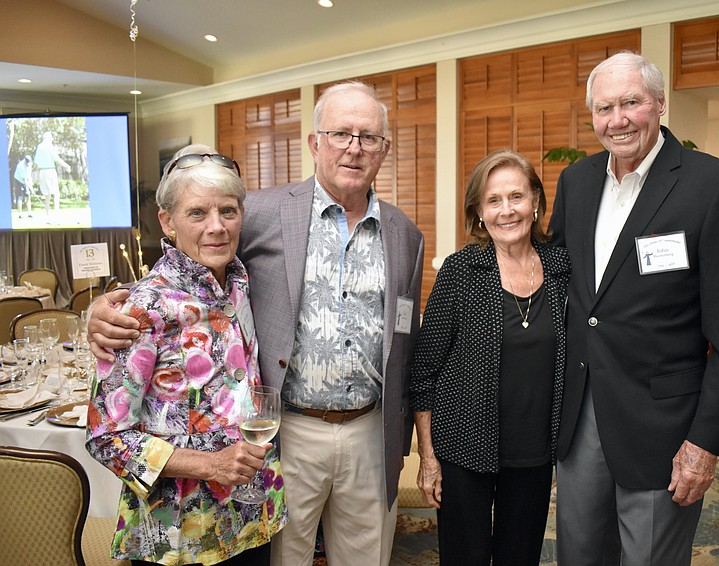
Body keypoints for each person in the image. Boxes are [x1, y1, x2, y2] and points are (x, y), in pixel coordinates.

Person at [88, 81, 425, 566]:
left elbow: (405, 336)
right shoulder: (263, 212)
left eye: (368, 137)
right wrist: (103, 311)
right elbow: (186, 264)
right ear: (315, 143)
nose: (354, 147)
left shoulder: (405, 236)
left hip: (368, 433)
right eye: (340, 133)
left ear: (384, 149)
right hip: (287, 434)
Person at [548, 51, 719, 566]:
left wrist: (705, 441)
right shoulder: (575, 183)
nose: (616, 120)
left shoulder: (712, 185)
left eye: (630, 103)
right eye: (603, 108)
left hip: (665, 426)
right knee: (578, 555)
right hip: (580, 418)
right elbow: (561, 287)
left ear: (660, 104)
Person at [86, 144, 287, 565]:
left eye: (228, 211)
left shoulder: (238, 279)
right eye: (197, 213)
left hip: (249, 514)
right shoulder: (141, 311)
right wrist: (209, 465)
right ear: (168, 221)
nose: (217, 226)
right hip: (180, 531)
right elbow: (106, 438)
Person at [410, 150, 570, 565]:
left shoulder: (561, 268)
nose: (506, 210)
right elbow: (423, 371)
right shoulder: (461, 271)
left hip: (535, 452)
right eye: (493, 201)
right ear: (479, 212)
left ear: (535, 201)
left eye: (516, 196)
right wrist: (428, 458)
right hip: (464, 449)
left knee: (521, 557)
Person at [33, 131, 71, 219]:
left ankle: (47, 214)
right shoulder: (49, 146)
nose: (52, 140)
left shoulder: (39, 147)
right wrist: (67, 166)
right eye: (51, 138)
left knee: (47, 194)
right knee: (56, 193)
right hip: (50, 171)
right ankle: (56, 214)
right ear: (48, 138)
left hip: (42, 172)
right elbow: (57, 159)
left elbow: (36, 163)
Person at [12, 154, 33, 218]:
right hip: (18, 181)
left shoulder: (29, 164)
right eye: (27, 162)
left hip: (25, 180)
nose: (28, 164)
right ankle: (20, 214)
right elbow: (25, 180)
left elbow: (29, 177)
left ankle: (30, 213)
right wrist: (31, 189)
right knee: (20, 197)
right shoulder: (20, 166)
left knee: (28, 196)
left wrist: (31, 187)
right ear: (25, 161)